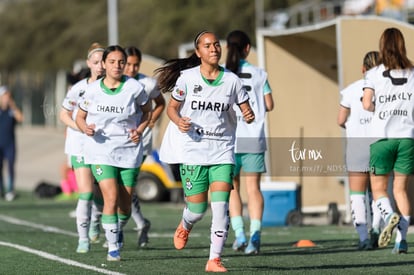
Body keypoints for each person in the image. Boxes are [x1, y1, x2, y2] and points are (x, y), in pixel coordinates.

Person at [155, 31, 255, 272]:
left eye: (216, 45)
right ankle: (186, 224)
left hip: (222, 151)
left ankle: (214, 259)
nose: (214, 49)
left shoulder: (232, 80)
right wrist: (178, 121)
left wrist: (248, 115)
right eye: (207, 46)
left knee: (221, 207)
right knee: (198, 209)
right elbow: (172, 108)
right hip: (194, 151)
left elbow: (245, 108)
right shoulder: (187, 79)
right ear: (198, 52)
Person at [76, 45, 151, 261]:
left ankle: (115, 230)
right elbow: (80, 117)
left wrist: (139, 130)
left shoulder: (135, 88)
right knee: (110, 198)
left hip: (128, 151)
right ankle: (112, 247)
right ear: (104, 64)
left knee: (125, 208)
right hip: (100, 150)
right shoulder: (92, 90)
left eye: (121, 62)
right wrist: (85, 128)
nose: (117, 66)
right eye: (112, 62)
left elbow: (147, 113)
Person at [362, 27, 414, 254]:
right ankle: (401, 240)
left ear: (382, 46)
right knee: (400, 191)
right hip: (407, 138)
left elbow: (366, 104)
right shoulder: (413, 72)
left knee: (378, 190)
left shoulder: (373, 74)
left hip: (382, 138)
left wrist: (379, 108)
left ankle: (389, 215)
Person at [224, 30, 274, 255]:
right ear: (247, 49)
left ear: (227, 48)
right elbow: (269, 104)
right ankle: (255, 236)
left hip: (227, 141)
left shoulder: (223, 75)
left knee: (232, 187)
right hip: (253, 138)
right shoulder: (259, 74)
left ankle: (239, 234)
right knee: (254, 189)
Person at [60, 42, 105, 253]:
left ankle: (97, 220)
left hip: (106, 147)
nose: (101, 66)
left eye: (104, 61)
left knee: (102, 193)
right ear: (89, 64)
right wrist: (79, 127)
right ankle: (83, 239)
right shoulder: (79, 89)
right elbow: (63, 114)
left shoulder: (117, 88)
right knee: (86, 192)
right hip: (80, 146)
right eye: (96, 62)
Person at [120, 46, 165, 247]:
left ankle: (117, 230)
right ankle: (140, 223)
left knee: (126, 185)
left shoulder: (147, 83)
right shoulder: (114, 83)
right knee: (117, 185)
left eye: (135, 64)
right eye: (128, 64)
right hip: (116, 141)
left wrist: (151, 119)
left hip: (140, 140)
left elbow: (160, 103)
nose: (131, 68)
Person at [337, 51, 382, 250]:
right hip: (380, 144)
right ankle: (377, 231)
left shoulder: (350, 90)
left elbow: (340, 120)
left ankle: (363, 238)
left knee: (357, 194)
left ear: (363, 69)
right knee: (379, 192)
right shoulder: (385, 89)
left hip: (357, 146)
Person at [0, 85, 23, 201]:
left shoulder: (12, 110)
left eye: (8, 96)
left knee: (10, 167)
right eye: (4, 96)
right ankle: (1, 190)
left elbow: (20, 118)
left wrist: (12, 106)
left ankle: (10, 190)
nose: (6, 98)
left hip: (10, 144)